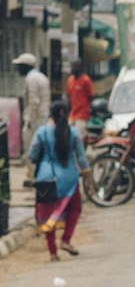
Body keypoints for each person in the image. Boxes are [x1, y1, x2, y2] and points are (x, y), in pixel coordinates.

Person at [28, 97, 89, 261]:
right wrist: (88, 175)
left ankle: (52, 252)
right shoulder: (74, 133)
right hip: (69, 178)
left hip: (46, 178)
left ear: (51, 115)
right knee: (75, 208)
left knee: (48, 214)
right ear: (67, 113)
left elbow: (32, 154)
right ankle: (66, 239)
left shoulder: (42, 132)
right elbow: (82, 159)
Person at [14, 52, 51, 160]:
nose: (18, 69)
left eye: (20, 66)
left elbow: (34, 102)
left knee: (32, 150)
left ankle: (34, 174)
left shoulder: (32, 78)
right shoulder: (41, 76)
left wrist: (30, 121)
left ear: (25, 66)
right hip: (42, 118)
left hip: (36, 120)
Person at [66, 57, 94, 130]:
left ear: (80, 67)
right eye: (72, 66)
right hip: (72, 114)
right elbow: (69, 96)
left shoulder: (86, 80)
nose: (72, 68)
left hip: (82, 114)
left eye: (74, 66)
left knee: (78, 135)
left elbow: (90, 97)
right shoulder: (70, 80)